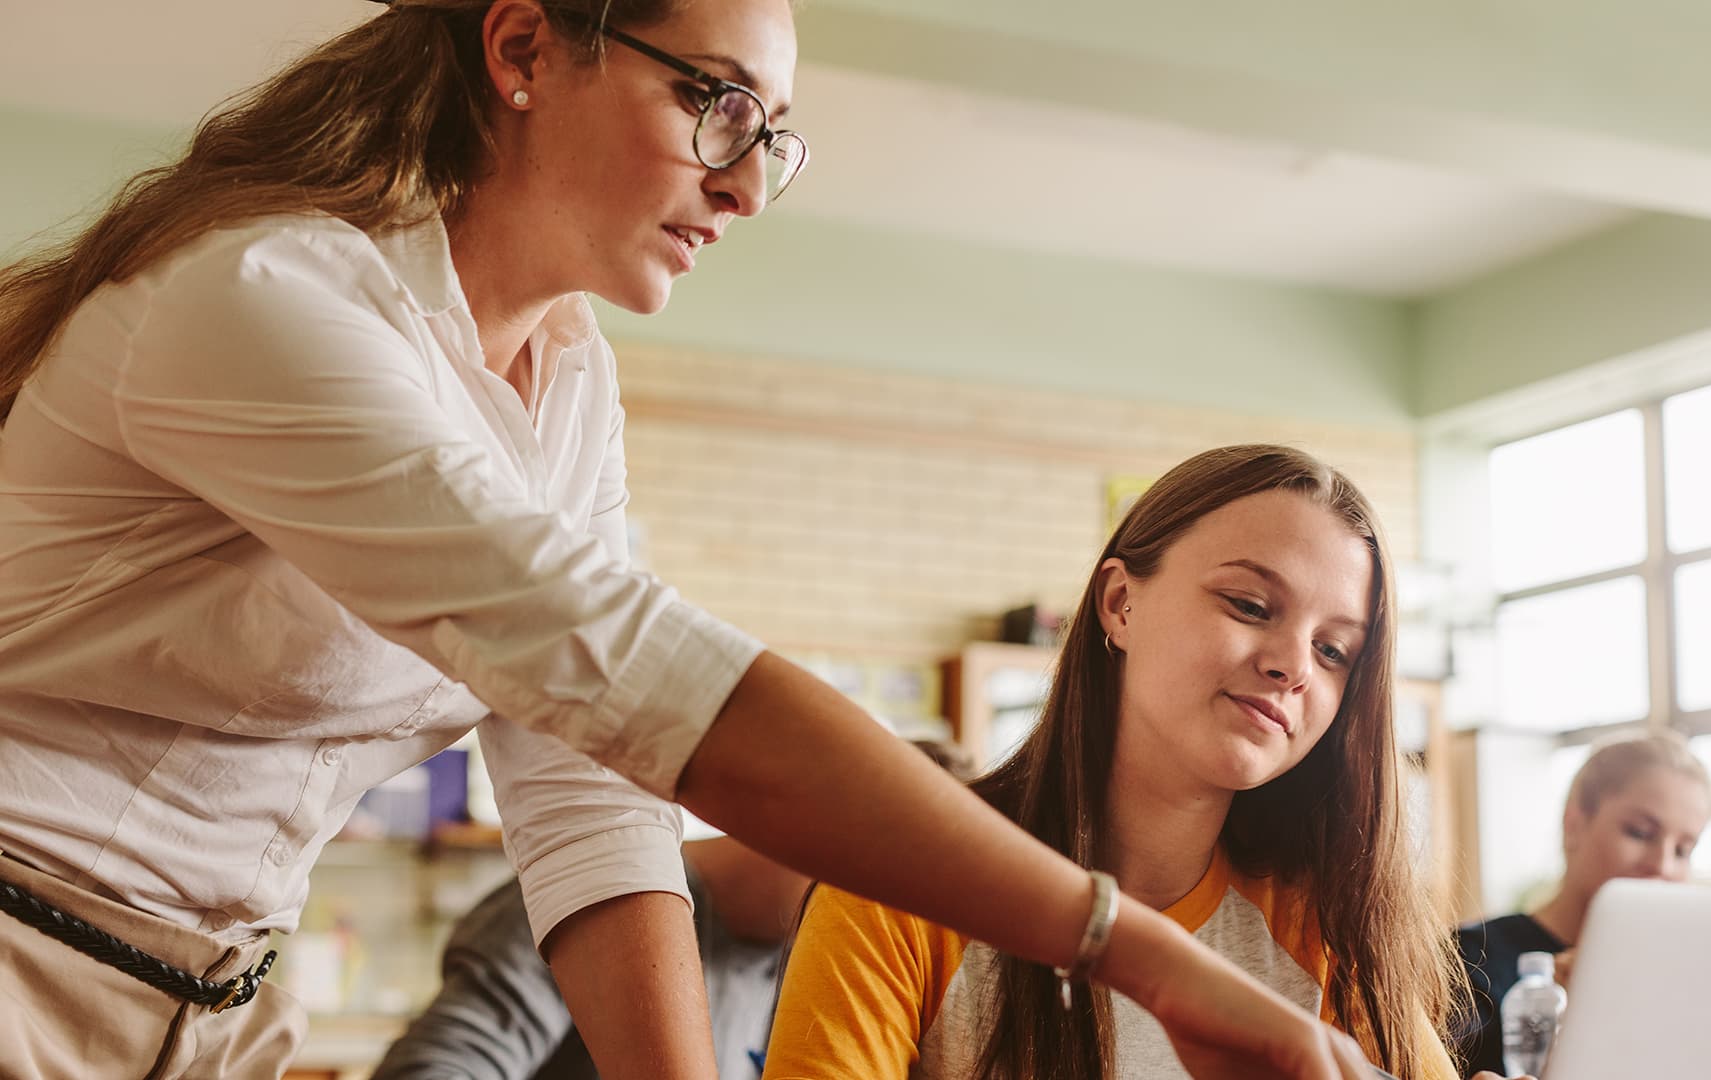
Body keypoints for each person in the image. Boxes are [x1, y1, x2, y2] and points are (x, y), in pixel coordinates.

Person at [0, 3, 1365, 1078]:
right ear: (525, 45)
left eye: (772, 132)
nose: (750, 186)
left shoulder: (565, 379)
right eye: (715, 105)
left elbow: (592, 784)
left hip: (220, 1003)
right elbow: (641, 678)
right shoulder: (265, 299)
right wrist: (1140, 955)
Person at [763, 445, 1507, 1080]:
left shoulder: (1319, 930)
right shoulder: (898, 893)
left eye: (1334, 650)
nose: (1293, 667)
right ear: (1121, 603)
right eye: (1250, 605)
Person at [371, 739, 977, 1080]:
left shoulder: (790, 961)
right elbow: (431, 1073)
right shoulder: (599, 891)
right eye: (887, 896)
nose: (882, 934)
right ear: (823, 834)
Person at [1452, 731, 1711, 1077]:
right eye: (1639, 832)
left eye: (1683, 850)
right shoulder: (1469, 962)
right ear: (1574, 826)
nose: (1663, 866)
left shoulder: (1683, 983)